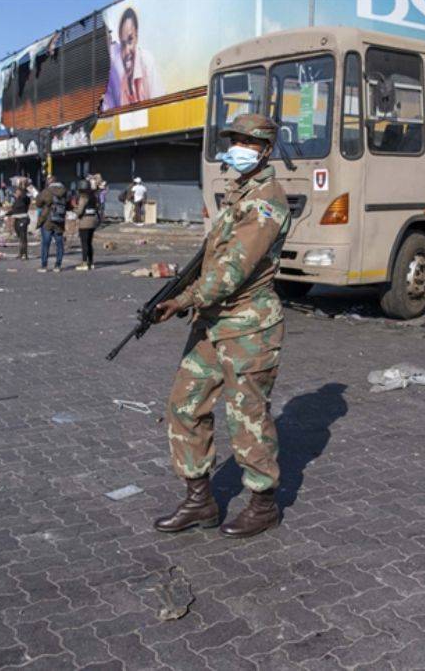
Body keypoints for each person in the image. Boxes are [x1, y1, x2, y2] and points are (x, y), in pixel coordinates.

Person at [151, 114, 292, 539]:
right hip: (212, 323)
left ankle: (263, 504)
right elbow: (212, 259)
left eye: (248, 141)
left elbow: (231, 271)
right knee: (184, 405)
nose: (239, 147)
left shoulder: (266, 202)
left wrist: (183, 299)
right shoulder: (238, 194)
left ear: (266, 150)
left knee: (246, 416)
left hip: (248, 327)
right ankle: (200, 501)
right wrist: (181, 289)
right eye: (234, 139)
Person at [102, 6, 161, 109]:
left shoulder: (146, 62)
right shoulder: (113, 68)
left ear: (137, 37)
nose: (127, 51)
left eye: (130, 40)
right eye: (123, 44)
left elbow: (160, 104)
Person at [33, 176, 68, 272]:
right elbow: (68, 204)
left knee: (46, 243)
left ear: (49, 183)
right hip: (59, 220)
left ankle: (44, 266)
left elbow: (38, 203)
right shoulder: (64, 191)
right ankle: (58, 265)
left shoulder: (46, 191)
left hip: (47, 220)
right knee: (59, 244)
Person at [72, 179, 100, 271]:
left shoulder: (83, 197)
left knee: (84, 243)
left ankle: (84, 263)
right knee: (89, 243)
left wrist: (73, 208)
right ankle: (91, 262)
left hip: (84, 222)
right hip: (93, 221)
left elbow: (80, 212)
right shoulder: (94, 196)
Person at [5, 181, 32, 260]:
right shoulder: (16, 201)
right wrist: (6, 214)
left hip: (23, 219)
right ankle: (20, 253)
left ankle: (25, 254)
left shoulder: (24, 199)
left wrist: (23, 187)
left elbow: (25, 196)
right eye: (15, 192)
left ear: (20, 192)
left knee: (23, 237)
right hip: (17, 219)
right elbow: (14, 210)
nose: (15, 194)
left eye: (17, 192)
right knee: (20, 237)